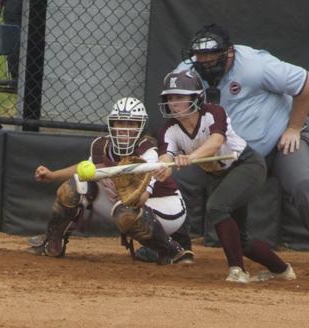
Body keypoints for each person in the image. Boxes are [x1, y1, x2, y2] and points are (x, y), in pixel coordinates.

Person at [174, 23, 309, 270]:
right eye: (199, 55)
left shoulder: (255, 66)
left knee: (304, 181)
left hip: (279, 140)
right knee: (177, 176)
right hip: (227, 155)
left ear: (228, 52)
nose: (203, 61)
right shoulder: (187, 73)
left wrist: (294, 127)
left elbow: (307, 82)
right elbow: (176, 107)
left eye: (210, 55)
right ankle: (171, 245)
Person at [152, 70, 296, 283]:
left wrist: (190, 157)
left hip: (246, 165)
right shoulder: (169, 129)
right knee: (241, 240)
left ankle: (237, 271)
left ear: (195, 97)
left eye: (180, 97)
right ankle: (282, 270)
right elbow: (167, 156)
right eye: (171, 98)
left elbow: (216, 141)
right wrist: (163, 167)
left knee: (216, 207)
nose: (174, 103)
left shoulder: (213, 112)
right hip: (220, 175)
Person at [28, 97, 193, 265]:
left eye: (131, 125)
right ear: (112, 124)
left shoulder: (148, 152)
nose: (124, 130)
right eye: (120, 123)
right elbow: (86, 169)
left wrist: (130, 192)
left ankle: (171, 251)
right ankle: (53, 241)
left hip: (167, 207)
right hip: (122, 205)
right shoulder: (102, 146)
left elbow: (142, 198)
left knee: (126, 210)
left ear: (140, 126)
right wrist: (52, 175)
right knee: (71, 187)